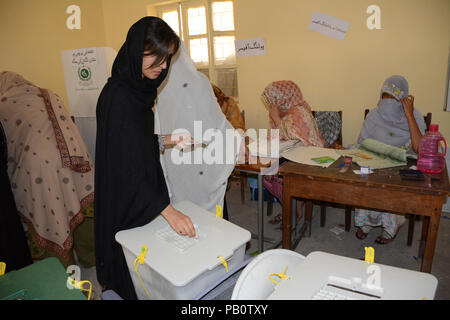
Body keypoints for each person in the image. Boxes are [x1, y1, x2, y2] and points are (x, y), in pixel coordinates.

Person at [94, 17, 196, 300]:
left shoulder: (137, 90)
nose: (163, 66)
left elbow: (132, 144)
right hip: (125, 196)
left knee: (147, 257)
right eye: (157, 57)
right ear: (137, 50)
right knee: (129, 267)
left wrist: (168, 139)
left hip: (139, 188)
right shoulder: (119, 97)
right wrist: (169, 211)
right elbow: (124, 165)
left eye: (168, 59)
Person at [0, 71, 94, 266]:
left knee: (50, 217)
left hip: (37, 171)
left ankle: (62, 275)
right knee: (80, 208)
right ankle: (91, 259)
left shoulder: (3, 106)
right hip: (75, 163)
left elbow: (6, 149)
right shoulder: (48, 94)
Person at [155, 42, 241, 218]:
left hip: (173, 160)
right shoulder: (199, 81)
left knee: (181, 208)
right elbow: (218, 124)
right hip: (205, 158)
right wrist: (236, 138)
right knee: (213, 207)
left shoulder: (155, 86)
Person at [354, 75, 427, 244]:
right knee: (364, 182)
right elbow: (362, 143)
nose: (387, 102)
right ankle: (365, 224)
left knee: (393, 190)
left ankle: (391, 228)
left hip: (401, 166)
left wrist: (409, 114)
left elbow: (420, 149)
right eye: (384, 97)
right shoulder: (374, 115)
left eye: (392, 98)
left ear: (403, 100)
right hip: (374, 163)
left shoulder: (415, 115)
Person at [261, 80, 325, 224]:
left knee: (282, 176)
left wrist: (276, 118)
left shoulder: (299, 111)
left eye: (274, 100)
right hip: (292, 155)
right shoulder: (284, 112)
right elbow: (276, 136)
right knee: (266, 173)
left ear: (284, 97)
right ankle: (290, 204)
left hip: (310, 158)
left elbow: (295, 137)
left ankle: (295, 207)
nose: (272, 104)